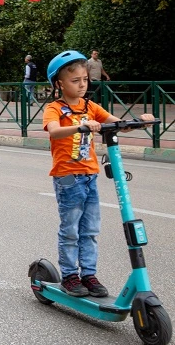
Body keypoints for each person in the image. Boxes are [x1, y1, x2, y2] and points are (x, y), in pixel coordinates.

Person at [42, 50, 155, 297]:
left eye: (85, 79)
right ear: (59, 84)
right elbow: (53, 131)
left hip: (90, 175)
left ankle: (89, 275)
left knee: (91, 229)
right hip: (68, 178)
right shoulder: (55, 109)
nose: (82, 85)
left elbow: (117, 124)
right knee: (71, 229)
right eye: (75, 81)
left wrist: (140, 121)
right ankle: (70, 276)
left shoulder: (90, 106)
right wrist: (80, 126)